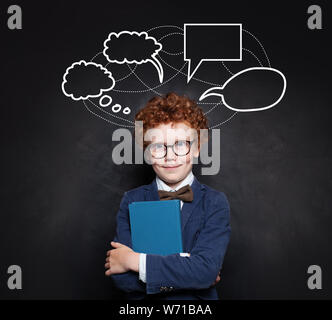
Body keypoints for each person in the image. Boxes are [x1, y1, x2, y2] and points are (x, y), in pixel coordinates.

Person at [104, 92, 231, 300]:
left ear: (197, 147)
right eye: (157, 147)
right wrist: (190, 274)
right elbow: (121, 278)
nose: (170, 156)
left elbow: (205, 272)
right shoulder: (131, 200)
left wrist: (136, 261)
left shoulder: (215, 202)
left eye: (181, 144)